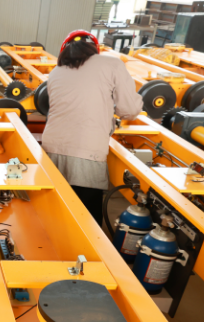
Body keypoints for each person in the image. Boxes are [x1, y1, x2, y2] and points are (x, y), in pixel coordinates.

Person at [42, 30, 143, 226]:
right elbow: (129, 110)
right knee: (87, 220)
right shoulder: (112, 64)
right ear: (94, 48)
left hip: (51, 147)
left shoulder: (55, 72)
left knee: (56, 211)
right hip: (87, 150)